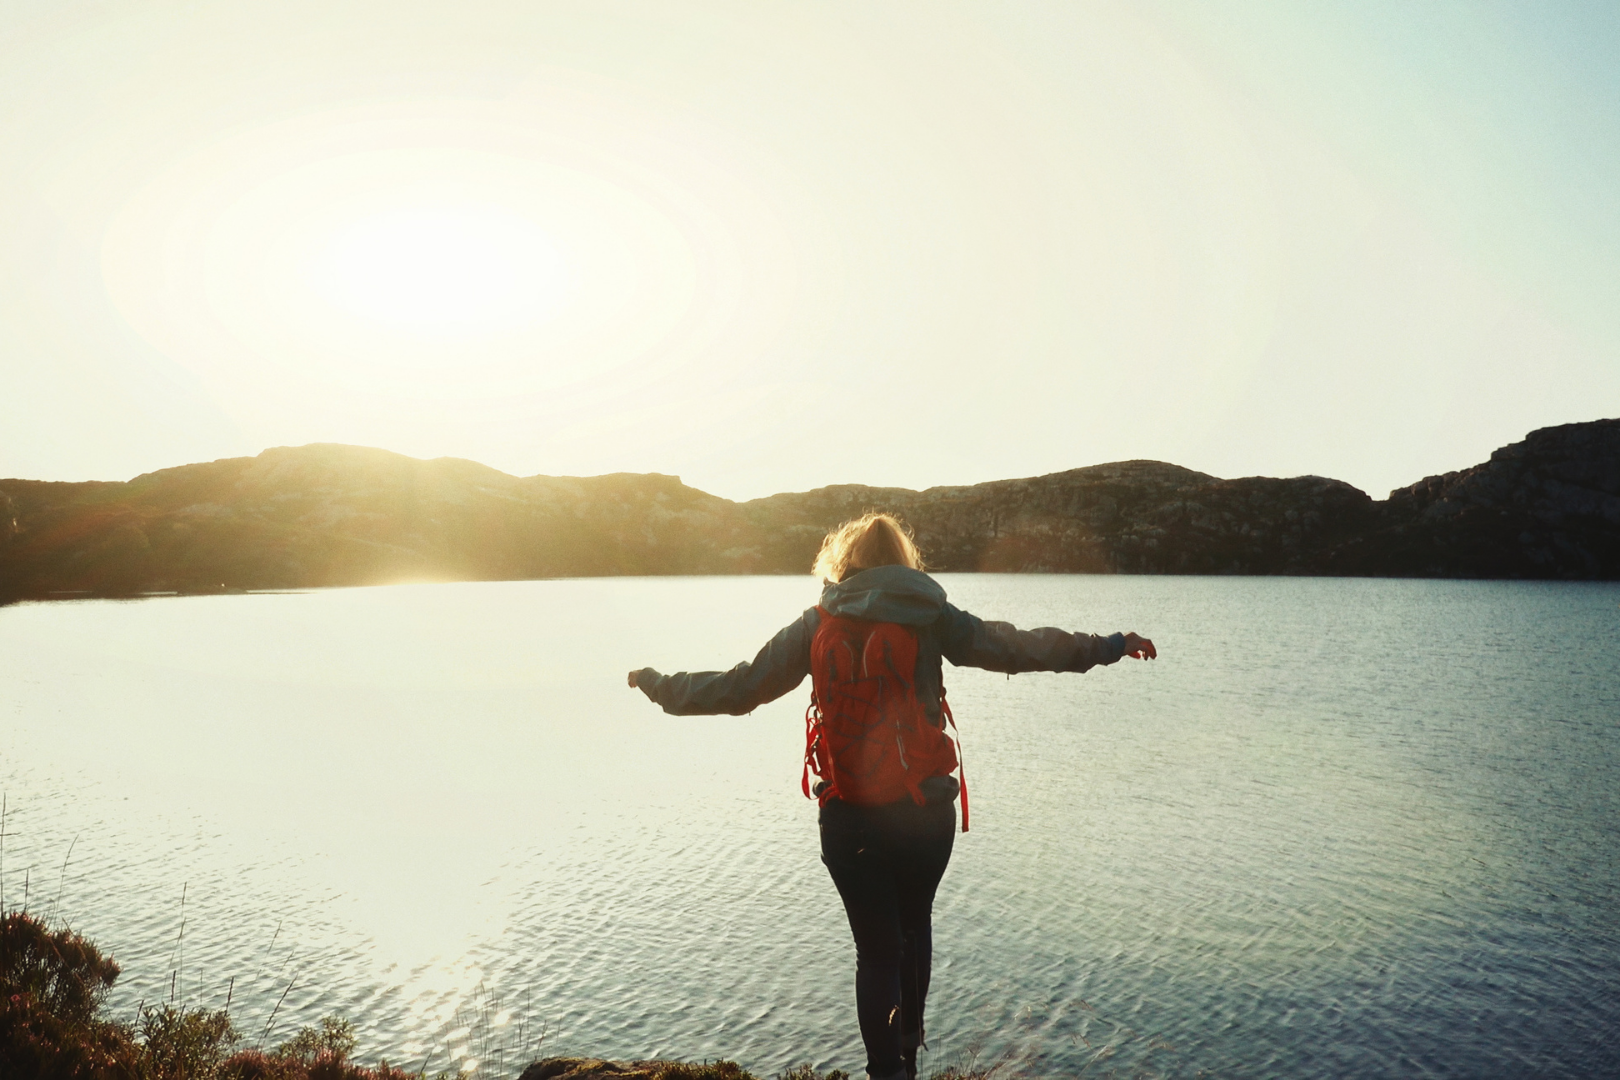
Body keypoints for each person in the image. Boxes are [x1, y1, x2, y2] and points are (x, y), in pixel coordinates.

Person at [627, 512, 1156, 1080]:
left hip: (849, 819)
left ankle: (887, 1074)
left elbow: (739, 687)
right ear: (906, 563)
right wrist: (1109, 645)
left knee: (877, 952)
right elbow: (1017, 647)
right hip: (925, 815)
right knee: (915, 926)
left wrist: (661, 686)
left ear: (843, 562)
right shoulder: (930, 615)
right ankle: (908, 1053)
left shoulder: (817, 621)